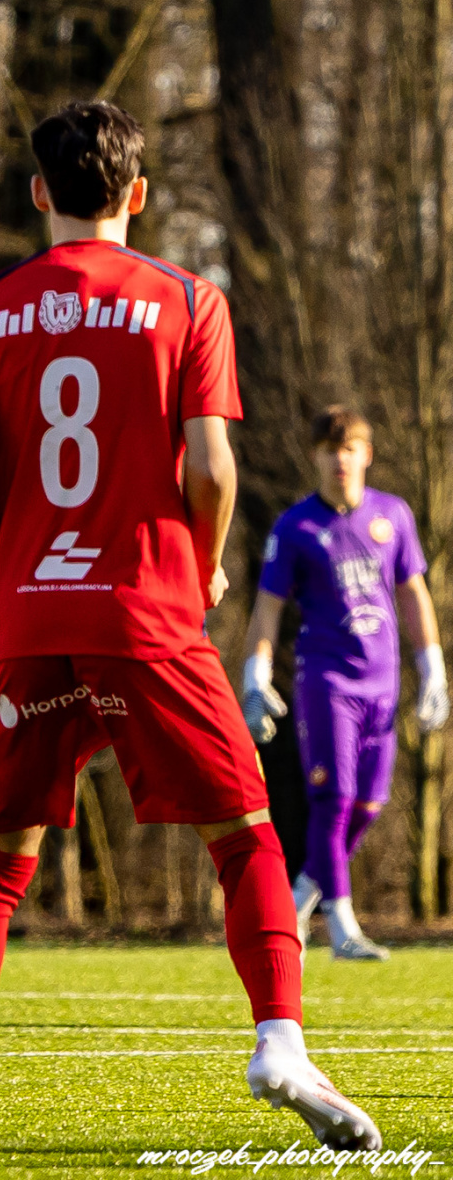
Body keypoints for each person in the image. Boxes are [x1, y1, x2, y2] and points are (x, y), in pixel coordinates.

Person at [0, 101, 379, 1152]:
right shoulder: (187, 300)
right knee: (247, 835)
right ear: (138, 194)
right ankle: (279, 1042)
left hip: (32, 616)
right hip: (147, 611)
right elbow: (211, 466)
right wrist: (206, 558)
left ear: (39, 192)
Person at [241, 407, 447, 960]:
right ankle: (342, 928)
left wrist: (432, 666)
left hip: (383, 684)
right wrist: (255, 674)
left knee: (368, 805)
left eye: (349, 447)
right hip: (327, 683)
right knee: (332, 801)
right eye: (330, 449)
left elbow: (412, 593)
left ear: (367, 454)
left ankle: (296, 904)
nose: (340, 459)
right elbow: (267, 608)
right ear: (315, 456)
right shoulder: (295, 527)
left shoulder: (393, 515)